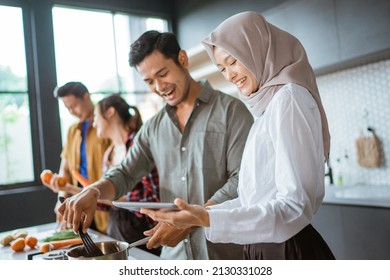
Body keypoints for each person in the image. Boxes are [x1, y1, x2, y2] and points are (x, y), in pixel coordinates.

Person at [140, 11, 335, 260]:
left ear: (257, 48)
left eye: (233, 61)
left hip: (286, 251)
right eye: (222, 68)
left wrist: (205, 217)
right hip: (265, 248)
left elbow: (294, 207)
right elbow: (252, 199)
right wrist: (198, 215)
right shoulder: (268, 107)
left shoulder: (289, 99)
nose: (230, 75)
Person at [58, 31, 254, 260]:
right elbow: (125, 173)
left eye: (162, 73)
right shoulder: (153, 127)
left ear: (182, 59)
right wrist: (93, 191)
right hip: (174, 258)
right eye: (149, 81)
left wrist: (191, 220)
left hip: (227, 255)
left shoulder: (232, 112)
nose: (159, 86)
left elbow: (243, 180)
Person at [94, 94, 160, 256]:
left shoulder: (139, 146)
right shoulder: (109, 153)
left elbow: (154, 199)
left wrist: (94, 194)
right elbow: (107, 203)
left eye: (96, 117)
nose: (94, 123)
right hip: (115, 228)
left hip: (141, 230)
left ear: (110, 112)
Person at [43, 81, 110, 234]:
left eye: (74, 106)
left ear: (86, 97)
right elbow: (64, 169)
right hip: (78, 204)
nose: (72, 112)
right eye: (67, 108)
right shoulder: (72, 131)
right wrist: (61, 200)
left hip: (104, 206)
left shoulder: (105, 125)